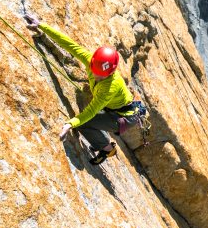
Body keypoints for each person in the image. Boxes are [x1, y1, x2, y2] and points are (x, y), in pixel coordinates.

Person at [24, 14, 141, 165]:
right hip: (115, 108)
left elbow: (91, 111)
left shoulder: (110, 87)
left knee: (83, 123)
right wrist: (41, 25)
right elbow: (70, 45)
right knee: (89, 113)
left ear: (110, 73)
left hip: (124, 117)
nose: (96, 75)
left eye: (101, 75)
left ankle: (106, 149)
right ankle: (102, 131)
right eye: (94, 70)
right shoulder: (93, 61)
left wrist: (70, 123)